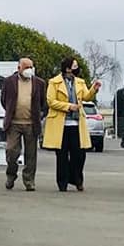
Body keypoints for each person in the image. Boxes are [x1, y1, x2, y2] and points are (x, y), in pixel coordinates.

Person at [42, 56, 102, 191]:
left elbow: (86, 96)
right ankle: (62, 183)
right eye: (74, 66)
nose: (77, 69)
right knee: (62, 155)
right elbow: (51, 101)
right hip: (60, 124)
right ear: (68, 68)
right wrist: (68, 106)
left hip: (76, 123)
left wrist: (94, 89)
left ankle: (76, 179)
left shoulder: (80, 82)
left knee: (80, 154)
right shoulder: (54, 82)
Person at [0, 57, 48, 192]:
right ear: (19, 68)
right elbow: (4, 100)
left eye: (31, 67)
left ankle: (29, 181)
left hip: (31, 124)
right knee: (11, 151)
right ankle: (11, 175)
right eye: (26, 67)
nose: (29, 70)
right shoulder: (9, 82)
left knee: (31, 155)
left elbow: (43, 103)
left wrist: (40, 116)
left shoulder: (39, 83)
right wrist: (10, 112)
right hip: (14, 123)